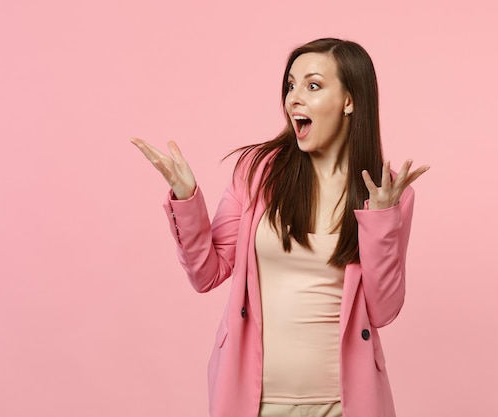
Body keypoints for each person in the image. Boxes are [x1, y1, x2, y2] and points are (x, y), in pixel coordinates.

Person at [131, 38, 429, 417]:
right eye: (291, 85)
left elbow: (382, 309)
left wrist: (381, 218)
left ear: (350, 101)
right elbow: (206, 273)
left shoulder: (387, 193)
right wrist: (186, 198)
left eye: (313, 85)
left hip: (343, 406)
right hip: (255, 404)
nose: (294, 98)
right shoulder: (258, 172)